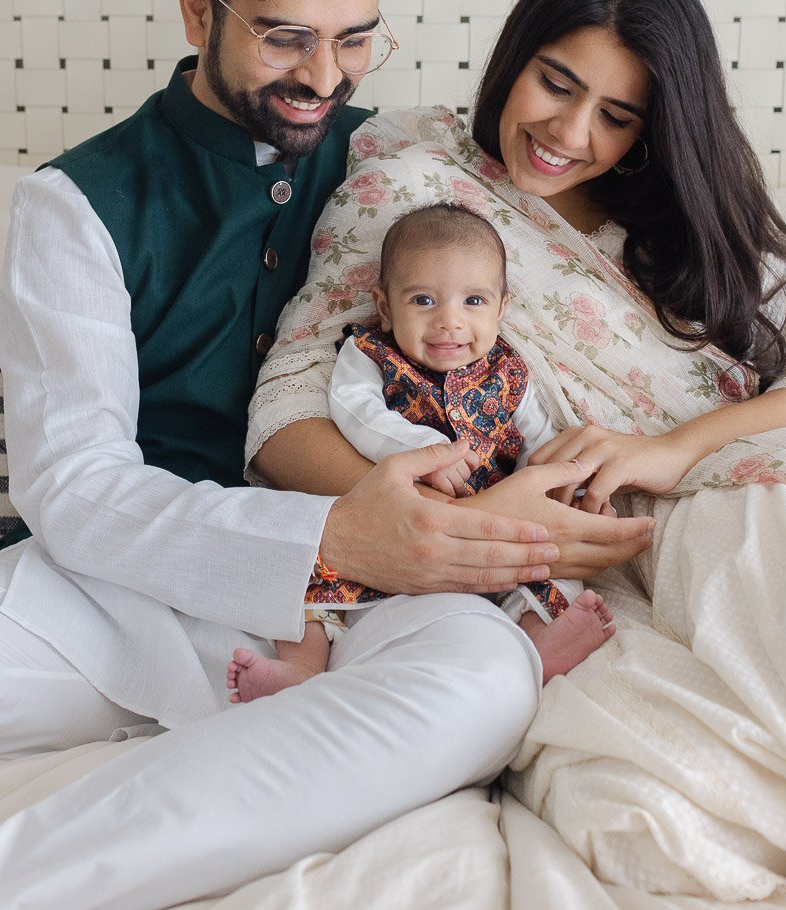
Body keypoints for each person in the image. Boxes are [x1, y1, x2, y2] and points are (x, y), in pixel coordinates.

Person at [0, 0, 653, 910]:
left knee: (482, 688)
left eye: (357, 36)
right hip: (107, 600)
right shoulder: (77, 201)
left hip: (373, 608)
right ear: (198, 6)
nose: (327, 78)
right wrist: (326, 531)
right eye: (288, 37)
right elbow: (71, 486)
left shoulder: (401, 161)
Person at [248, 0, 786, 910]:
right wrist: (452, 528)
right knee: (649, 832)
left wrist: (673, 451)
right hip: (578, 569)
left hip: (746, 497)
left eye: (618, 116)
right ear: (513, 55)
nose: (569, 133)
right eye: (554, 84)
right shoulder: (413, 184)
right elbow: (283, 420)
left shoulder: (694, 216)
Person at [226, 202, 615, 705]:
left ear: (501, 308)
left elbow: (538, 445)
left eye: (473, 300)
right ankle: (299, 668)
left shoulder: (511, 374)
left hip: (487, 525)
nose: (449, 322)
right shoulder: (369, 355)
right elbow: (355, 410)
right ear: (385, 307)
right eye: (424, 301)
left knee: (548, 560)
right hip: (388, 519)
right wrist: (423, 447)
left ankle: (541, 650)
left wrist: (568, 493)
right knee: (302, 563)